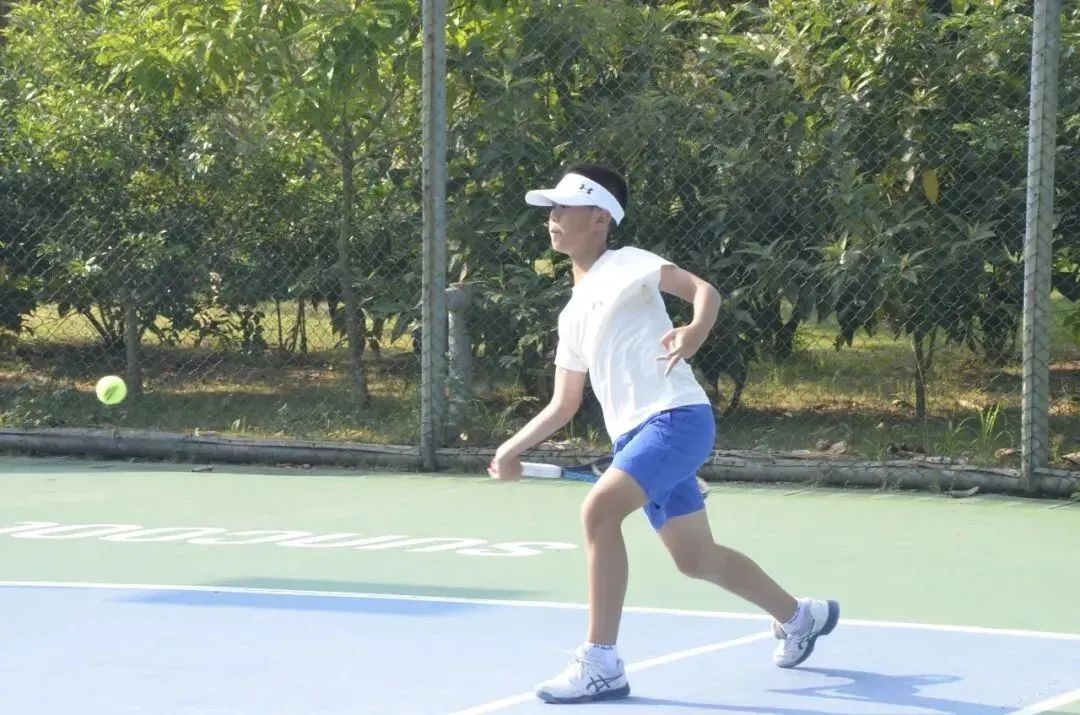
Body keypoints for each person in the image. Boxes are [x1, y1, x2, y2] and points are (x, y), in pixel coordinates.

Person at [486, 163, 840, 705]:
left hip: (676, 419)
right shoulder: (571, 314)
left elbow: (703, 291)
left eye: (564, 208)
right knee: (695, 559)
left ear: (600, 218)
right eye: (551, 209)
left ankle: (601, 662)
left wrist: (695, 331)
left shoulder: (628, 262)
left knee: (598, 513)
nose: (552, 217)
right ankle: (799, 616)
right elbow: (565, 403)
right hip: (634, 439)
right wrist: (511, 449)